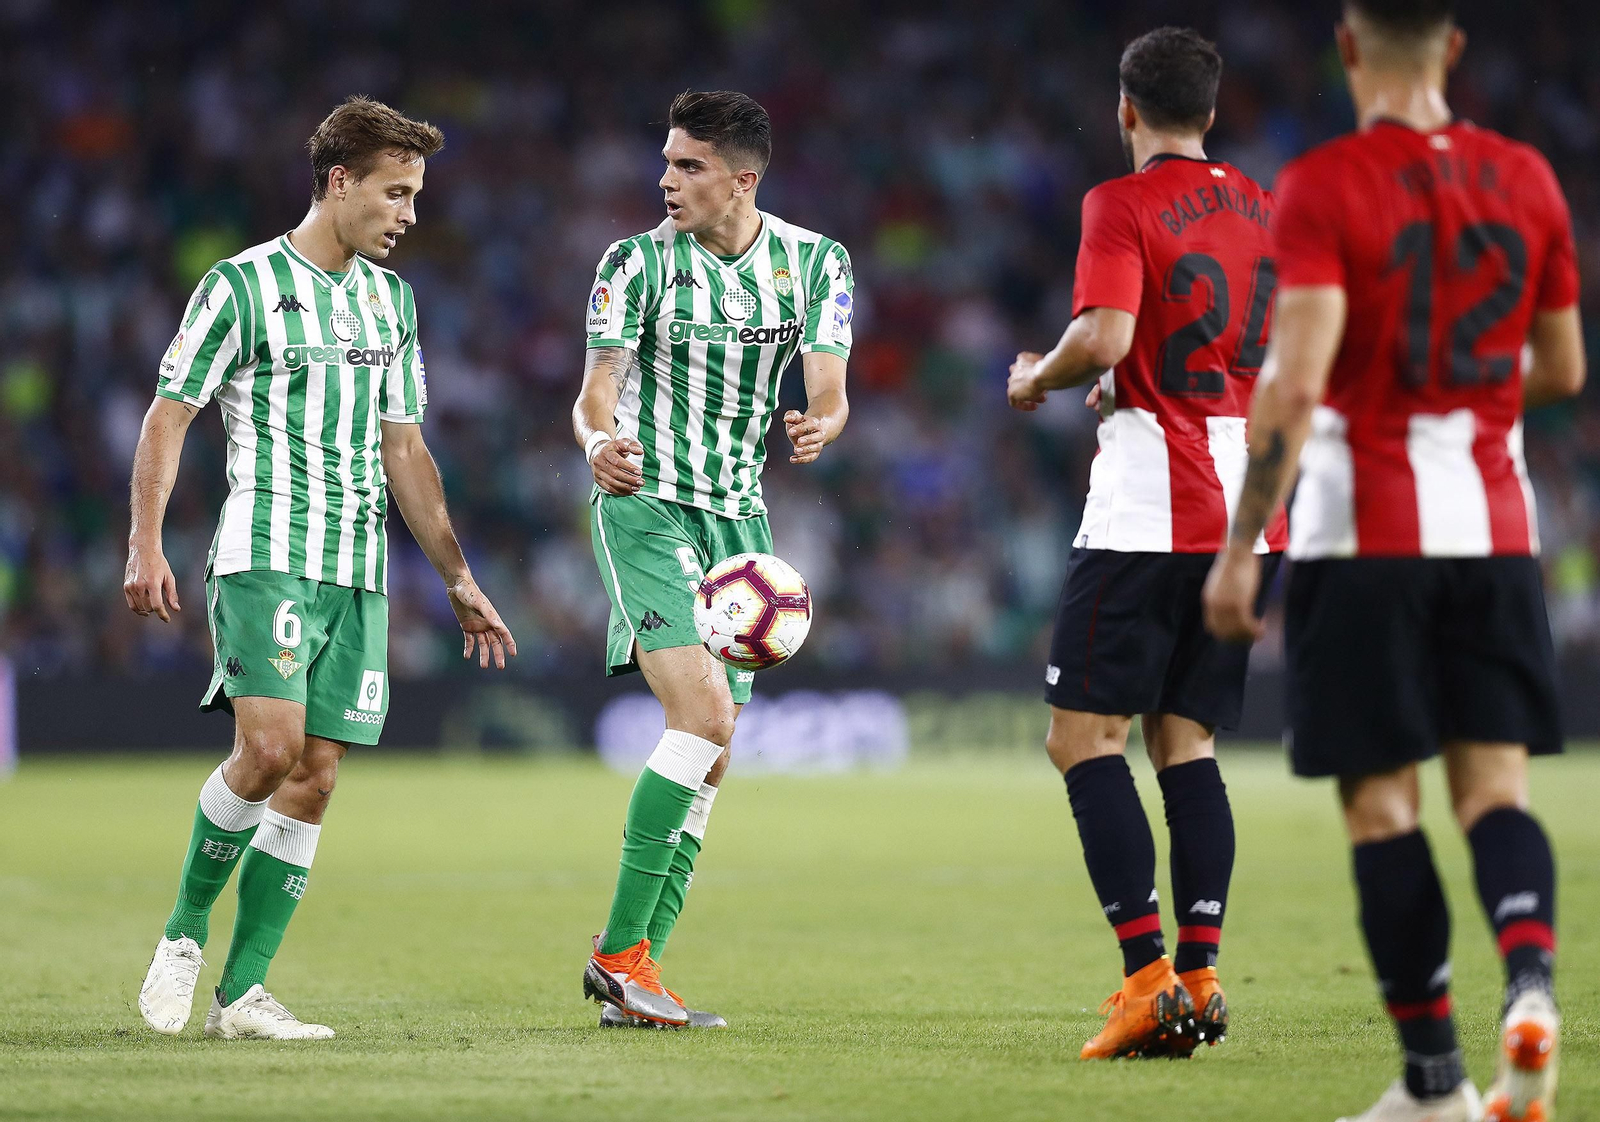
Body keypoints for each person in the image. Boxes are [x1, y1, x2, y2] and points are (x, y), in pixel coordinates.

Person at [1202, 1, 1583, 1116]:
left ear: (1348, 47)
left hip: (1362, 533)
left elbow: (1295, 378)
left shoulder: (1325, 183)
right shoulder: (1527, 178)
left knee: (1382, 809)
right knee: (1496, 793)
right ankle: (1528, 985)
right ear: (1452, 48)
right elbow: (1562, 367)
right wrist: (1464, 391)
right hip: (1495, 530)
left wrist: (1241, 548)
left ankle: (1432, 1084)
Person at [126, 96, 518, 1040]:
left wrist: (458, 577)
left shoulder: (394, 302)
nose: (410, 214)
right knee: (268, 750)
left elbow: (405, 451)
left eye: (415, 195)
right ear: (339, 183)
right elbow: (169, 413)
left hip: (358, 568)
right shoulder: (241, 285)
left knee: (316, 775)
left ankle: (243, 996)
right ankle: (182, 936)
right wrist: (145, 540)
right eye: (395, 192)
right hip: (266, 551)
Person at [1005, 26, 1285, 1060]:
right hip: (1248, 506)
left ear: (1124, 109)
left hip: (1150, 507)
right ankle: (1199, 976)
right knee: (1187, 742)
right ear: (1210, 112)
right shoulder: (1267, 210)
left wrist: (1039, 376)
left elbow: (1107, 337)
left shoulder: (1118, 203)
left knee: (1082, 740)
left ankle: (1145, 980)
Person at [571, 90, 853, 1028]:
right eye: (666, 160)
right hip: (644, 502)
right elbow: (595, 392)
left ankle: (638, 971)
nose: (666, 179)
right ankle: (617, 957)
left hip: (741, 525)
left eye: (688, 165)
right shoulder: (634, 262)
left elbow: (830, 390)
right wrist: (597, 444)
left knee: (717, 750)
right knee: (700, 715)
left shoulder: (816, 262)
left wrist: (821, 424)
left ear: (743, 179)